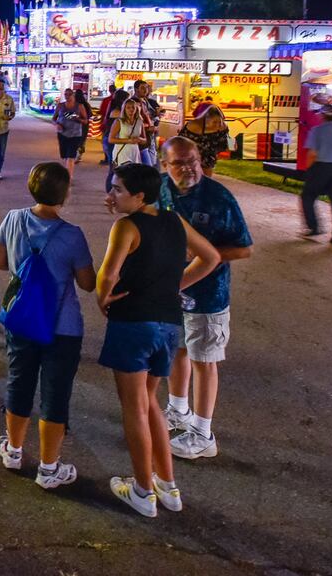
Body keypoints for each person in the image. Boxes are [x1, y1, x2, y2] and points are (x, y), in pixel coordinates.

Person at [96, 163, 221, 518]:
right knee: (150, 401)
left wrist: (102, 298)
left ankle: (141, 491)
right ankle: (167, 485)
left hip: (133, 324)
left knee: (134, 408)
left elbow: (108, 273)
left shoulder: (126, 226)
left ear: (140, 196)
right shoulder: (173, 220)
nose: (111, 194)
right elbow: (210, 257)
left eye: (118, 189)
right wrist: (172, 287)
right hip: (168, 326)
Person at [0, 163, 96, 488]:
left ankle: (14, 450)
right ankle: (49, 469)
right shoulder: (72, 235)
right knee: (55, 393)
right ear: (64, 194)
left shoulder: (13, 219)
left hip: (22, 320)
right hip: (62, 328)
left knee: (19, 382)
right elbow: (88, 283)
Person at [157, 138, 253, 462]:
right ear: (164, 164)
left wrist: (202, 253)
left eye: (193, 161)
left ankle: (202, 432)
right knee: (178, 350)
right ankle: (178, 410)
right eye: (179, 163)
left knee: (204, 360)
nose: (188, 169)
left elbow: (244, 248)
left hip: (208, 295)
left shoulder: (218, 198)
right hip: (171, 291)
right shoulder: (160, 190)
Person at [301, 104, 332, 246]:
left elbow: (312, 153)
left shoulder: (316, 131)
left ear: (322, 116)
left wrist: (308, 170)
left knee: (308, 196)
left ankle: (314, 226)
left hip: (321, 167)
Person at [179, 104, 230, 176]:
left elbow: (229, 142)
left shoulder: (222, 126)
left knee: (206, 180)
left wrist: (232, 145)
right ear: (205, 119)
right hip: (191, 157)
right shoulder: (193, 126)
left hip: (208, 158)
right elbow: (181, 142)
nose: (217, 125)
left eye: (220, 121)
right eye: (214, 122)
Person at [53, 88, 90, 174]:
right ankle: (67, 171)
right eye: (66, 94)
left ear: (73, 95)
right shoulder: (60, 106)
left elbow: (85, 121)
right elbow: (54, 118)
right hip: (62, 134)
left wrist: (77, 119)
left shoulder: (80, 106)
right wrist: (57, 125)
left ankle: (69, 177)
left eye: (70, 94)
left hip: (75, 135)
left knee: (71, 156)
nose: (67, 96)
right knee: (65, 155)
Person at [109, 98, 149, 169]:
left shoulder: (139, 122)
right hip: (123, 152)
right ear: (124, 109)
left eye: (133, 107)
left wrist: (139, 139)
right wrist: (128, 140)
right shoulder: (119, 122)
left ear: (136, 109)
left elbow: (145, 140)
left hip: (134, 152)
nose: (131, 110)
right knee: (125, 174)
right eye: (128, 108)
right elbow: (111, 139)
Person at [131, 81, 161, 166]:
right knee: (148, 168)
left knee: (151, 164)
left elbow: (146, 116)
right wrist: (148, 127)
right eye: (143, 88)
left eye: (147, 88)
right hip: (140, 141)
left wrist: (156, 115)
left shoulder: (144, 101)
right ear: (136, 89)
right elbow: (132, 122)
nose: (146, 90)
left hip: (148, 138)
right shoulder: (134, 102)